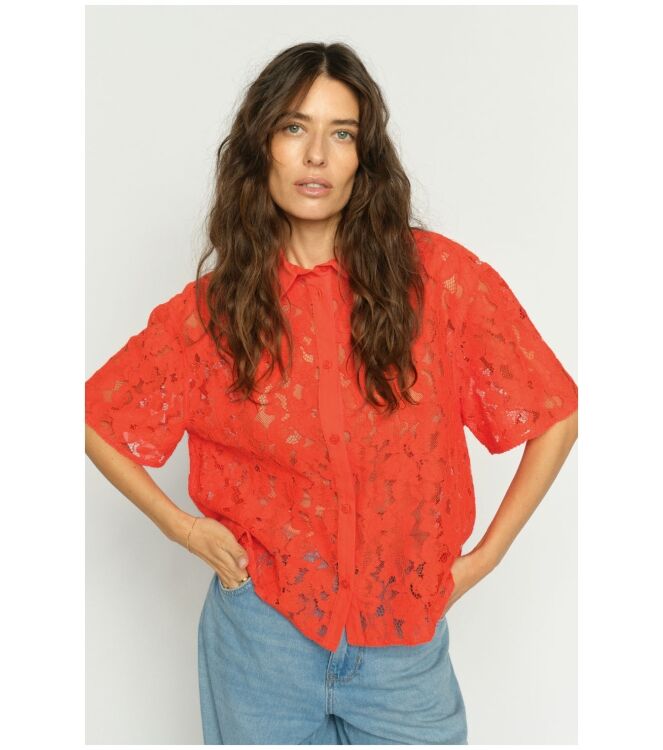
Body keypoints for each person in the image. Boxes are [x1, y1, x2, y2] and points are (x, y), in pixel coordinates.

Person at [85, 41, 578, 745]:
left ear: (362, 158)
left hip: (403, 647)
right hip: (261, 640)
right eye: (294, 127)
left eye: (340, 134)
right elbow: (96, 417)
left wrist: (487, 556)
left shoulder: (440, 282)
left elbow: (554, 410)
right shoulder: (214, 313)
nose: (316, 154)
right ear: (262, 147)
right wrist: (182, 528)